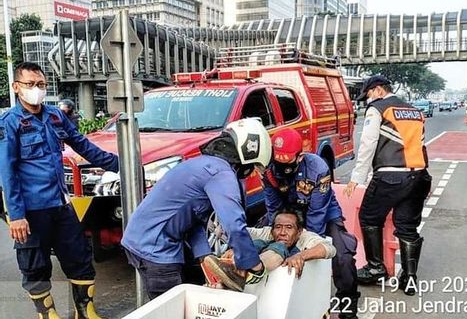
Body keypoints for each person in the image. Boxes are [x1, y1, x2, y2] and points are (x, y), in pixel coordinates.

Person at [0, 62, 119, 319]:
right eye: (30, 84)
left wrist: (120, 165)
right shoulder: (9, 123)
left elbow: (83, 145)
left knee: (79, 257)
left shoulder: (55, 116)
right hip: (30, 211)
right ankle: (48, 314)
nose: (36, 89)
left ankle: (85, 311)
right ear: (16, 87)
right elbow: (7, 172)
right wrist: (16, 215)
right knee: (35, 265)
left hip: (61, 205)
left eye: (41, 84)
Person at [121, 118, 272, 298]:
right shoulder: (221, 173)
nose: (250, 173)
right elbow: (234, 224)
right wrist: (253, 264)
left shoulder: (204, 164)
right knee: (172, 309)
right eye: (253, 167)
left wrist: (204, 255)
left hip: (141, 238)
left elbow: (193, 217)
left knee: (184, 297)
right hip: (155, 246)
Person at [343, 74, 432, 296]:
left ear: (379, 90)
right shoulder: (414, 111)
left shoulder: (378, 109)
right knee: (407, 227)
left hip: (390, 176)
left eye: (370, 94)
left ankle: (375, 268)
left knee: (369, 218)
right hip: (419, 176)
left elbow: (368, 144)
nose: (368, 99)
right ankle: (409, 278)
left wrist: (357, 178)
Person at [261, 128, 359, 319]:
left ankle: (348, 307)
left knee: (342, 256)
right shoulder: (269, 169)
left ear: (300, 156)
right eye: (278, 160)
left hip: (321, 214)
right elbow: (273, 208)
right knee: (261, 242)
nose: (281, 165)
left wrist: (301, 248)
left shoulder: (318, 168)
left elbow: (317, 215)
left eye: (287, 160)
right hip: (286, 214)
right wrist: (278, 236)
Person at [218, 208, 336, 283]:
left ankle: (251, 270)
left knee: (280, 246)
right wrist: (236, 248)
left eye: (289, 227)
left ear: (299, 231)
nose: (282, 232)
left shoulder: (305, 236)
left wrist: (300, 256)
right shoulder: (268, 232)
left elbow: (329, 248)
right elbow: (244, 232)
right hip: (257, 275)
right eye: (278, 227)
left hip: (266, 273)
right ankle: (231, 267)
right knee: (256, 243)